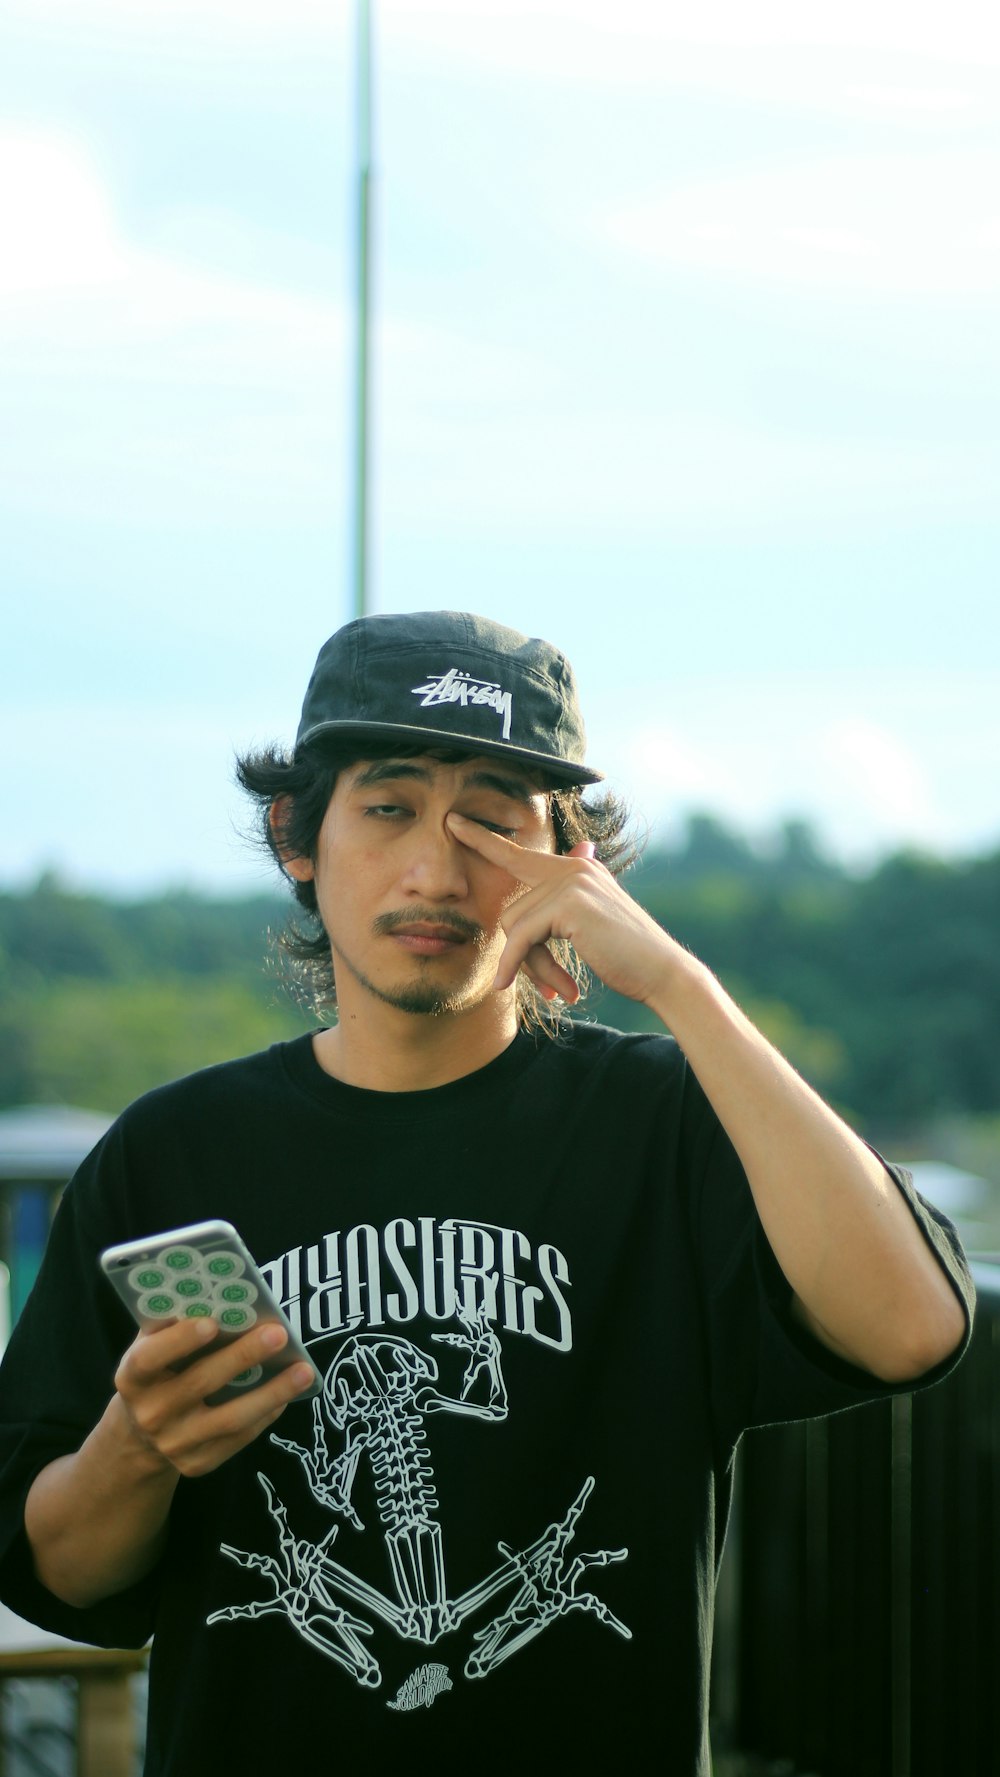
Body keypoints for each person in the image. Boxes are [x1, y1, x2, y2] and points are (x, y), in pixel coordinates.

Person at [0, 610, 973, 1774]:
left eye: (494, 822)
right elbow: (53, 1571)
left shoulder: (662, 1124)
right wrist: (139, 1448)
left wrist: (675, 983)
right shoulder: (172, 1153)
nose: (436, 870)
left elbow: (914, 1327)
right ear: (296, 835)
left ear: (572, 862)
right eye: (389, 805)